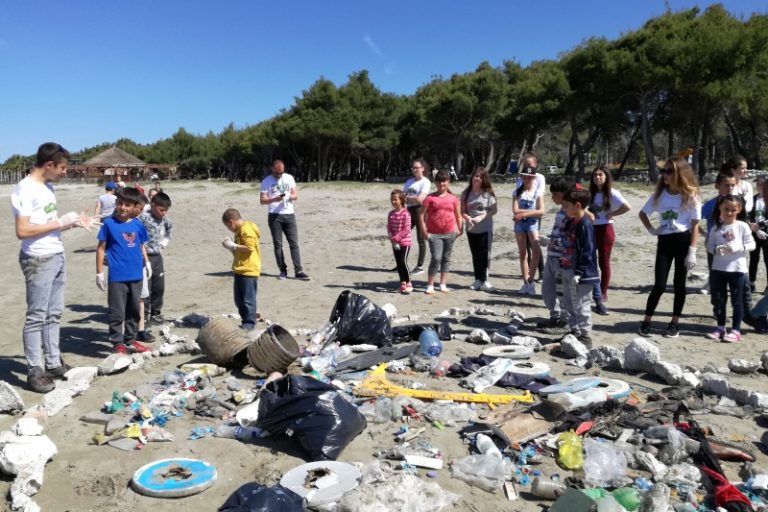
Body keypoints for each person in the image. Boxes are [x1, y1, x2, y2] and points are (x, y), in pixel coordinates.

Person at [12, 143, 95, 392]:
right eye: (62, 168)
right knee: (37, 316)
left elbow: (47, 224)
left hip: (56, 254)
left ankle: (53, 362)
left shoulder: (47, 187)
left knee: (54, 314)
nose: (64, 172)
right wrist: (61, 221)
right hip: (38, 259)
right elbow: (23, 231)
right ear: (49, 165)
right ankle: (35, 371)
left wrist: (73, 224)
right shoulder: (25, 189)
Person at [638, 157, 701, 338]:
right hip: (665, 241)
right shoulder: (659, 195)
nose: (665, 175)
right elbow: (643, 213)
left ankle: (674, 323)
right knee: (659, 284)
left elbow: (695, 224)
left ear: (679, 173)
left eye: (669, 171)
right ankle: (646, 321)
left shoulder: (691, 195)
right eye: (664, 171)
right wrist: (651, 229)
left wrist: (692, 251)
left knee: (680, 284)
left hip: (683, 240)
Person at [96, 187, 152, 354]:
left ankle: (131, 340)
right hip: (117, 276)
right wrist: (99, 272)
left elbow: (141, 245)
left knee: (134, 310)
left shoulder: (138, 225)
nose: (123, 207)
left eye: (127, 205)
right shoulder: (108, 224)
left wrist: (147, 263)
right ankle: (117, 342)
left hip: (136, 274)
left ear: (135, 206)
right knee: (117, 311)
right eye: (120, 203)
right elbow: (100, 248)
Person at [705, 195, 755, 342]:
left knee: (737, 299)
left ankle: (736, 330)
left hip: (737, 270)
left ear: (739, 210)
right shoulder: (716, 228)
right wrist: (716, 250)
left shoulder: (742, 226)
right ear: (720, 208)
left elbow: (752, 245)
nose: (729, 213)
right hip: (718, 269)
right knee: (719, 300)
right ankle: (721, 327)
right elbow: (709, 246)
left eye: (733, 210)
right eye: (726, 209)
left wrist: (738, 247)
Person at [558, 188, 599, 347]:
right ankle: (574, 331)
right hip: (568, 268)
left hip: (584, 273)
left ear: (577, 205)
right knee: (568, 302)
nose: (564, 208)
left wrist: (580, 272)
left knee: (582, 304)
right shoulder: (570, 222)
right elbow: (567, 242)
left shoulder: (585, 225)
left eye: (566, 206)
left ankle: (585, 336)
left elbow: (588, 251)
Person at [588, 166, 631, 314]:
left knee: (603, 262)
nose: (597, 177)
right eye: (595, 175)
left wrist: (612, 213)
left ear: (606, 177)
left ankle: (603, 291)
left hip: (606, 230)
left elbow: (627, 207)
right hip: (592, 230)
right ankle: (594, 290)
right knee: (591, 261)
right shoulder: (590, 194)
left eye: (600, 175)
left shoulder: (612, 193)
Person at [536, 176, 576, 334]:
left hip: (563, 258)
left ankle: (564, 321)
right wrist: (549, 240)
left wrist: (553, 242)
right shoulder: (561, 210)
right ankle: (555, 317)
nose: (552, 198)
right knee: (548, 290)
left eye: (554, 194)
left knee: (563, 291)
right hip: (552, 256)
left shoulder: (572, 212)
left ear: (563, 193)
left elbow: (570, 237)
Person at [259, 159, 310, 280]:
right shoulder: (266, 181)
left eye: (281, 173)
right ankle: (283, 271)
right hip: (274, 216)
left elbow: (295, 195)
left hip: (289, 214)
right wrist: (273, 199)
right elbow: (262, 200)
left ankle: (299, 271)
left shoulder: (289, 178)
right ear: (272, 169)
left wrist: (288, 196)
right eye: (277, 173)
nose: (279, 175)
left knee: (294, 244)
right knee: (278, 245)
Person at [419, 170, 462, 294]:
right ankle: (430, 284)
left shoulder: (453, 198)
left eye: (444, 181)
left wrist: (460, 229)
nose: (441, 184)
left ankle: (443, 283)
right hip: (434, 234)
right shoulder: (430, 198)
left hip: (450, 233)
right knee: (436, 258)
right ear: (435, 183)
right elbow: (421, 215)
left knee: (446, 258)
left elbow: (458, 215)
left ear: (448, 182)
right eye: (439, 181)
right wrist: (424, 231)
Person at [221, 209, 261, 330]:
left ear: (231, 222)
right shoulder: (239, 231)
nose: (229, 229)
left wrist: (234, 245)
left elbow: (249, 248)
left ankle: (249, 323)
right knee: (239, 300)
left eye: (228, 226)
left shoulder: (246, 229)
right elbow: (239, 253)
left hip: (249, 270)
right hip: (239, 269)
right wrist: (230, 248)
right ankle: (246, 320)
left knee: (248, 300)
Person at [460, 166, 498, 291]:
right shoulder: (466, 194)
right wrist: (468, 219)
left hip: (485, 229)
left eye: (480, 177)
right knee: (475, 254)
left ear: (483, 180)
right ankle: (477, 280)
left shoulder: (488, 194)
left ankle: (485, 281)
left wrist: (481, 217)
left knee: (484, 254)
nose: (477, 179)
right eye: (475, 176)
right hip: (471, 229)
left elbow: (494, 210)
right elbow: (462, 211)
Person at [139, 192, 173, 328]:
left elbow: (170, 228)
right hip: (143, 257)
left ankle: (156, 313)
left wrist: (165, 242)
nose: (164, 213)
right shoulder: (143, 218)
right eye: (161, 210)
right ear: (152, 205)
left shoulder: (164, 219)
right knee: (146, 288)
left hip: (157, 257)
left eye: (166, 210)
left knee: (159, 287)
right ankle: (144, 317)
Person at [513, 165, 545, 295]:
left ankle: (531, 280)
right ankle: (526, 282)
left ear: (534, 178)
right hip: (520, 225)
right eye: (525, 177)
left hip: (532, 224)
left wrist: (523, 214)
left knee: (536, 251)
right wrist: (533, 212)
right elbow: (515, 210)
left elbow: (542, 212)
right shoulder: (517, 192)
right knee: (523, 253)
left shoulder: (537, 192)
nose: (527, 180)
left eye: (530, 178)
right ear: (522, 177)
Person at [517, 153, 546, 281]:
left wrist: (529, 212)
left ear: (535, 164)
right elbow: (519, 193)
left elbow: (538, 194)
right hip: (521, 212)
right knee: (525, 246)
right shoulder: (520, 177)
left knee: (534, 243)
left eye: (530, 164)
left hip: (534, 213)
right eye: (525, 164)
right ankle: (528, 270)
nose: (528, 167)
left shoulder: (539, 177)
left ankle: (542, 270)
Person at [403, 158, 431, 274]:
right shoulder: (409, 181)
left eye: (417, 168)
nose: (414, 170)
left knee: (421, 239)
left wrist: (409, 198)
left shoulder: (425, 182)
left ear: (422, 169)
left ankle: (420, 266)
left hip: (420, 211)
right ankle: (402, 262)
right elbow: (402, 196)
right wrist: (411, 199)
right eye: (413, 168)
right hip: (409, 210)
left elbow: (420, 200)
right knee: (403, 236)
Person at [387, 189, 413, 294]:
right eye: (392, 200)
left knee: (403, 261)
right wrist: (391, 238)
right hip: (394, 242)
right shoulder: (391, 214)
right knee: (398, 262)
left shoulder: (406, 213)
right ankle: (402, 282)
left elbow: (407, 229)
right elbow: (389, 227)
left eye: (395, 200)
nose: (393, 202)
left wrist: (397, 238)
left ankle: (408, 281)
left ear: (401, 200)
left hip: (405, 242)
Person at [748, 177, 768, 293]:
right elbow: (748, 215)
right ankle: (751, 282)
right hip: (754, 233)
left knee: (767, 260)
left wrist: (760, 225)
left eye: (762, 184)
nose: (759, 186)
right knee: (753, 258)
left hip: (766, 233)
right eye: (758, 184)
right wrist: (755, 229)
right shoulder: (752, 199)